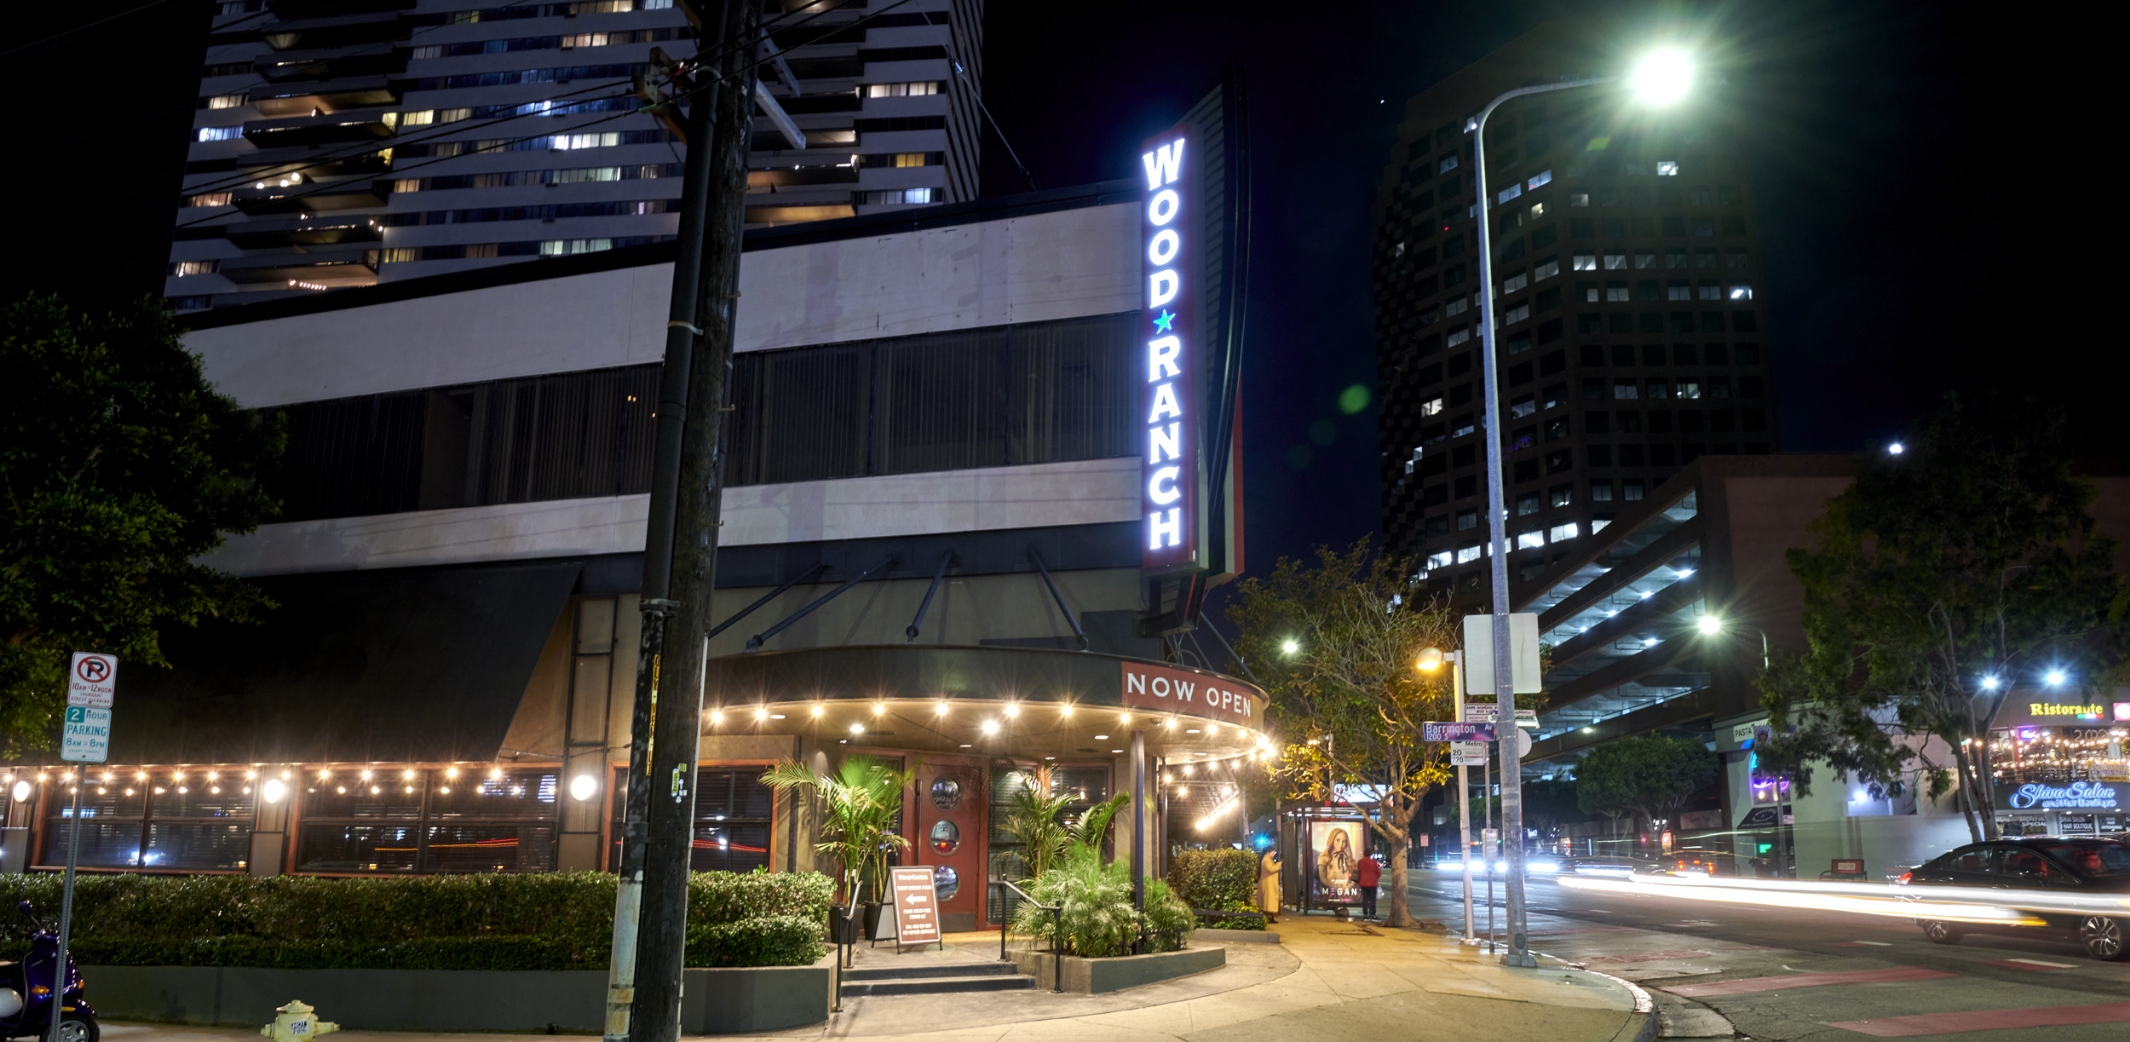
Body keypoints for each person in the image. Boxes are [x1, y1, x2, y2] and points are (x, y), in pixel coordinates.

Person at [1355, 851, 1383, 920]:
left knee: (1365, 899)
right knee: (1372, 900)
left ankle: (1365, 915)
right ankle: (1373, 915)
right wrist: (1375, 878)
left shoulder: (1360, 862)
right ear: (1371, 854)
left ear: (1364, 854)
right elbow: (1379, 873)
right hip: (1372, 884)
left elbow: (1359, 870)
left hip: (1363, 883)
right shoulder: (1374, 862)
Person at [1258, 849, 1283, 924]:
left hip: (1269, 883)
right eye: (1273, 852)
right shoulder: (1266, 860)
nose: (1274, 854)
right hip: (1269, 884)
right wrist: (1279, 864)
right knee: (1269, 901)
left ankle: (1270, 917)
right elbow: (1271, 869)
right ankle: (1269, 917)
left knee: (1269, 901)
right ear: (1268, 852)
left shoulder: (1267, 859)